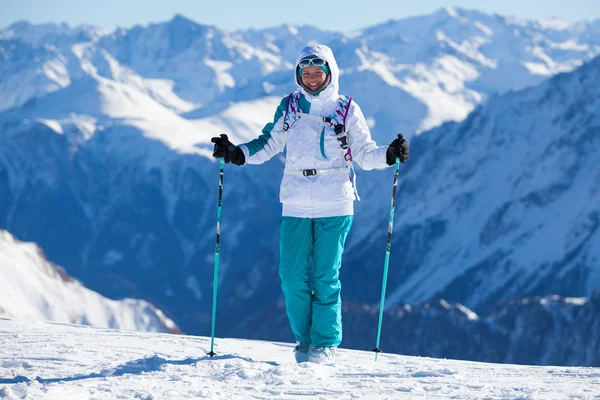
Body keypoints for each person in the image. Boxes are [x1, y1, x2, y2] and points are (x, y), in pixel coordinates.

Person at [211, 44, 409, 364]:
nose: (313, 78)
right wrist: (237, 153)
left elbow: (363, 151)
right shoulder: (289, 106)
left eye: (319, 72)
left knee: (325, 276)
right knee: (291, 277)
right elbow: (268, 142)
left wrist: (389, 154)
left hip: (336, 201)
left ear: (331, 73)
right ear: (298, 75)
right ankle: (305, 340)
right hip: (295, 201)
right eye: (307, 73)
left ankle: (325, 342)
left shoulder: (346, 109)